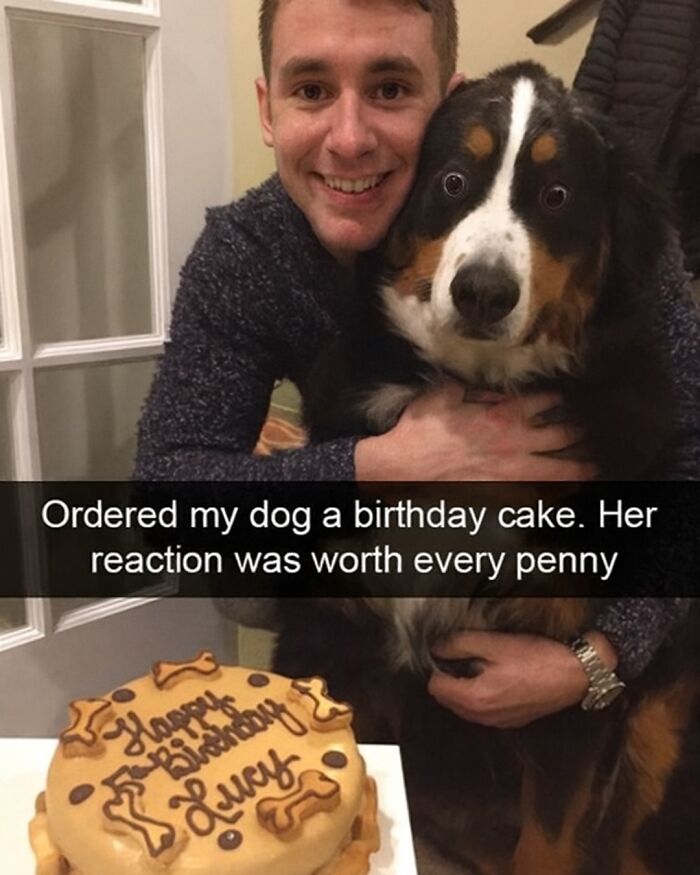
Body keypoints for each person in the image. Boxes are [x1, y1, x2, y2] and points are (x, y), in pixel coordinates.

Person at [135, 0, 699, 727]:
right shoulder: (251, 251)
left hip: (551, 587)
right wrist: (387, 462)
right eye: (311, 89)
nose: (349, 138)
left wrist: (596, 655)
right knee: (243, 576)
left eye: (391, 88)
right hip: (362, 561)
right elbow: (166, 494)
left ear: (446, 103)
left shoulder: (610, 241)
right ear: (268, 109)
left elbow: (691, 453)